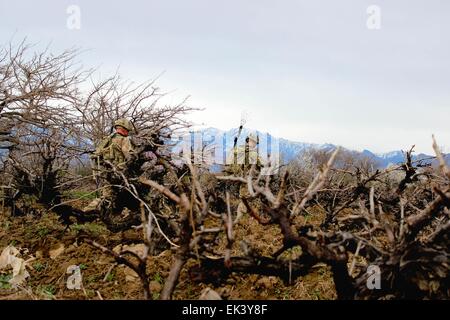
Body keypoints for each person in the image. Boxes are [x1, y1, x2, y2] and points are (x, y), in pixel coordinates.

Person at [83, 118, 136, 213]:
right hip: (120, 173)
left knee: (107, 194)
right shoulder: (124, 139)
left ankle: (90, 211)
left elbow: (97, 153)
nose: (128, 132)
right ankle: (89, 212)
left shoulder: (108, 139)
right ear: (124, 128)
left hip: (107, 172)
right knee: (124, 195)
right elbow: (129, 157)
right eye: (127, 130)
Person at [225, 132, 264, 222]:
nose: (255, 144)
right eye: (253, 142)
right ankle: (245, 222)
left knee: (246, 201)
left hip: (248, 182)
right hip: (248, 182)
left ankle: (241, 221)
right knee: (248, 202)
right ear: (248, 141)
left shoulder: (247, 151)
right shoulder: (249, 153)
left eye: (255, 143)